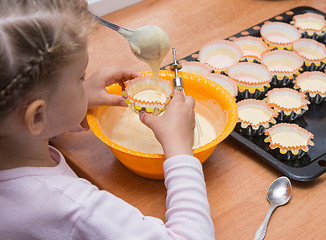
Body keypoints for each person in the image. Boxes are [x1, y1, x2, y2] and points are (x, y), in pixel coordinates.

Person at [0, 0, 215, 239]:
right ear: (37, 116)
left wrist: (74, 102)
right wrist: (180, 150)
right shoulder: (77, 209)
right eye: (80, 78)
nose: (85, 81)